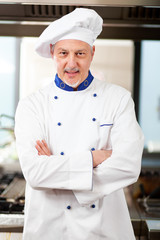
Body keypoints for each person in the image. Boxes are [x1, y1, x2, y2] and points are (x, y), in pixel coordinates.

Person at [15, 8, 144, 240]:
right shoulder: (32, 105)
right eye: (63, 53)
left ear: (92, 53)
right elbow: (35, 173)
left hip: (103, 230)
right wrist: (94, 159)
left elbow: (128, 166)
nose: (71, 63)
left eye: (80, 53)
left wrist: (54, 168)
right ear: (53, 53)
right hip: (49, 230)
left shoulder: (118, 99)